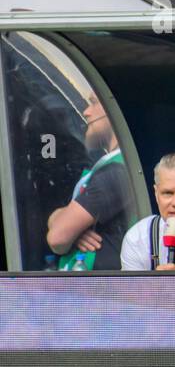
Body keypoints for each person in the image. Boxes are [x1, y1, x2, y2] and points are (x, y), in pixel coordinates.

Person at [45, 93, 134, 271]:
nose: (86, 112)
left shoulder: (116, 171)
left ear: (114, 109)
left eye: (93, 103)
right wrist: (74, 229)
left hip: (97, 289)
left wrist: (68, 228)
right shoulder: (114, 165)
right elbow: (62, 226)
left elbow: (57, 238)